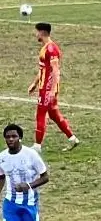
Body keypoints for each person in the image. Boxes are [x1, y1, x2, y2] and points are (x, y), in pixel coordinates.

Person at [27, 23, 79, 153]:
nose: (36, 34)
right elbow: (43, 69)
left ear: (42, 32)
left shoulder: (51, 49)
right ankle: (72, 138)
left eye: (37, 32)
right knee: (54, 115)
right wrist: (35, 83)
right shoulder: (45, 48)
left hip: (48, 89)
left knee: (40, 114)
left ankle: (37, 146)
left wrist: (52, 90)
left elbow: (55, 71)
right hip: (45, 87)